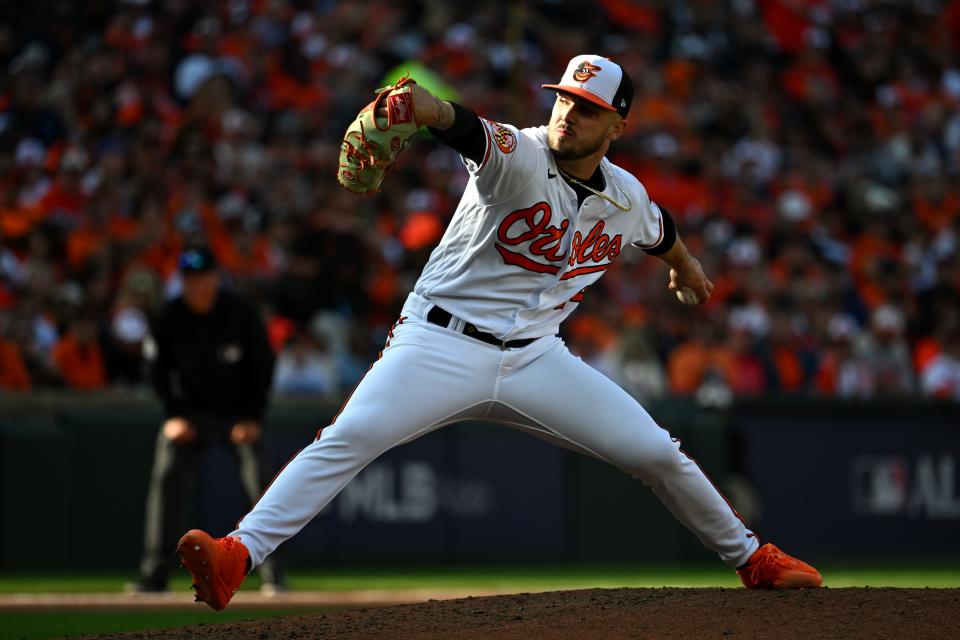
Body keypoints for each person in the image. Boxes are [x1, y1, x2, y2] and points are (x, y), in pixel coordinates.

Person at [178, 55, 822, 610]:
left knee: (656, 452)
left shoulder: (625, 196)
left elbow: (660, 231)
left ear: (618, 125)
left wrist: (685, 266)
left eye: (589, 108)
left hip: (538, 358)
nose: (570, 114)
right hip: (439, 342)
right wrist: (422, 106)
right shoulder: (520, 154)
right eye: (565, 99)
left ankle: (752, 559)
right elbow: (466, 128)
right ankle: (237, 555)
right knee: (348, 437)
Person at [129, 245, 285, 594]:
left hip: (238, 416)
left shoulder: (240, 314)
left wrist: (253, 416)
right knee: (167, 475)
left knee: (265, 485)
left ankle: (275, 574)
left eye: (202, 277)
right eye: (189, 278)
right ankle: (154, 574)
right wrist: (172, 416)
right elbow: (155, 371)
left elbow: (263, 366)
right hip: (189, 416)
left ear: (216, 277)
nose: (196, 284)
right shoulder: (169, 316)